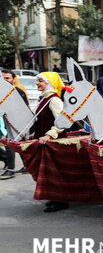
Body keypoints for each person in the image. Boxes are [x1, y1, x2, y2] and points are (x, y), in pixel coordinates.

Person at [33, 72, 69, 212]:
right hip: (45, 141)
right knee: (48, 170)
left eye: (40, 81)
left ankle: (61, 200)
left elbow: (63, 122)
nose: (37, 83)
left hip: (55, 142)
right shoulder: (45, 98)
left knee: (56, 171)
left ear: (49, 83)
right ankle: (54, 197)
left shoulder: (54, 100)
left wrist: (49, 135)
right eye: (37, 81)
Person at [0, 69, 29, 180]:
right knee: (19, 145)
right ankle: (26, 166)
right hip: (7, 123)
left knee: (10, 144)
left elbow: (24, 108)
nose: (5, 80)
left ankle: (11, 170)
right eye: (3, 78)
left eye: (7, 78)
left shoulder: (18, 91)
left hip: (19, 122)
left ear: (13, 79)